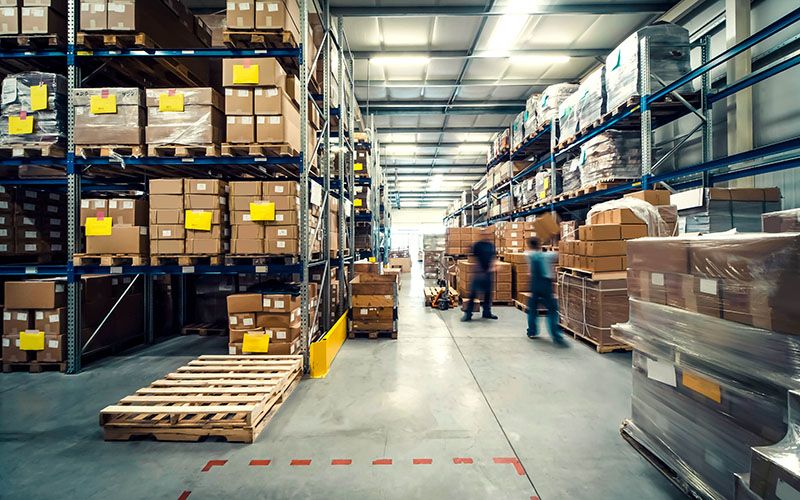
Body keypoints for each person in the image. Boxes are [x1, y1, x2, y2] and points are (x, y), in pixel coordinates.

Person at [526, 237, 565, 345]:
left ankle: (532, 331)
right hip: (545, 285)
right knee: (552, 310)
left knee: (532, 309)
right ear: (539, 245)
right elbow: (557, 253)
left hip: (534, 285)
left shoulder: (529, 256)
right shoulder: (547, 255)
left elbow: (531, 253)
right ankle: (555, 335)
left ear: (529, 246)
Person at [461, 228, 498, 322]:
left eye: (487, 234)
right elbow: (473, 258)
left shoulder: (491, 246)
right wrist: (478, 270)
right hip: (479, 273)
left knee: (488, 294)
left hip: (489, 273)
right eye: (483, 234)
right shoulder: (477, 245)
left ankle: (487, 313)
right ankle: (468, 314)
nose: (486, 235)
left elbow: (493, 257)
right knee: (473, 294)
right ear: (481, 235)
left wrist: (493, 266)